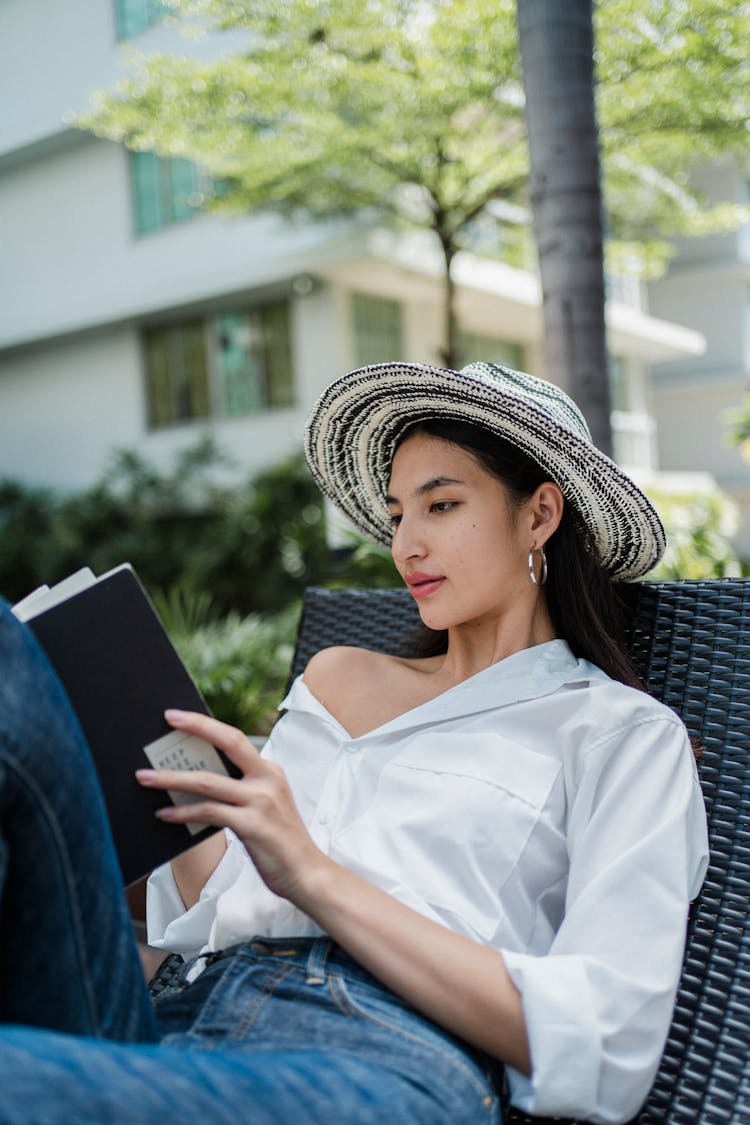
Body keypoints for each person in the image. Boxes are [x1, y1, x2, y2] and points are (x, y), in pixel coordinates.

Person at [0, 360, 708, 1124]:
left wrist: (305, 866)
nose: (406, 542)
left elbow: (607, 1040)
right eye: (399, 512)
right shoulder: (340, 676)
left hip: (382, 1053)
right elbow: (220, 899)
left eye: (441, 504)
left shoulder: (618, 732)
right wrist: (175, 786)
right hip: (186, 1012)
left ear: (538, 515)